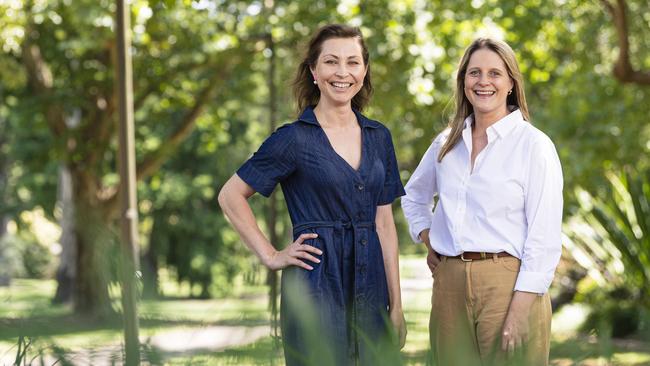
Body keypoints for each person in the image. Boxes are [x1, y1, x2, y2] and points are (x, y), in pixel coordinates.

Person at [218, 24, 407, 366]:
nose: (343, 72)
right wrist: (271, 255)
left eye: (353, 62)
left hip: (372, 289)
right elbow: (231, 196)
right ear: (314, 71)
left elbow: (384, 225)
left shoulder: (380, 137)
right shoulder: (293, 139)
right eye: (331, 62)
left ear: (364, 70)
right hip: (316, 284)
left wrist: (396, 305)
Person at [401, 38, 563, 366]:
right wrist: (428, 237)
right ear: (463, 81)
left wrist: (519, 310)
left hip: (508, 282)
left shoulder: (533, 145)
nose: (483, 81)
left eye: (494, 73)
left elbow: (543, 238)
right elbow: (413, 196)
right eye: (474, 72)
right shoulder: (446, 143)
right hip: (449, 285)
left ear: (511, 84)